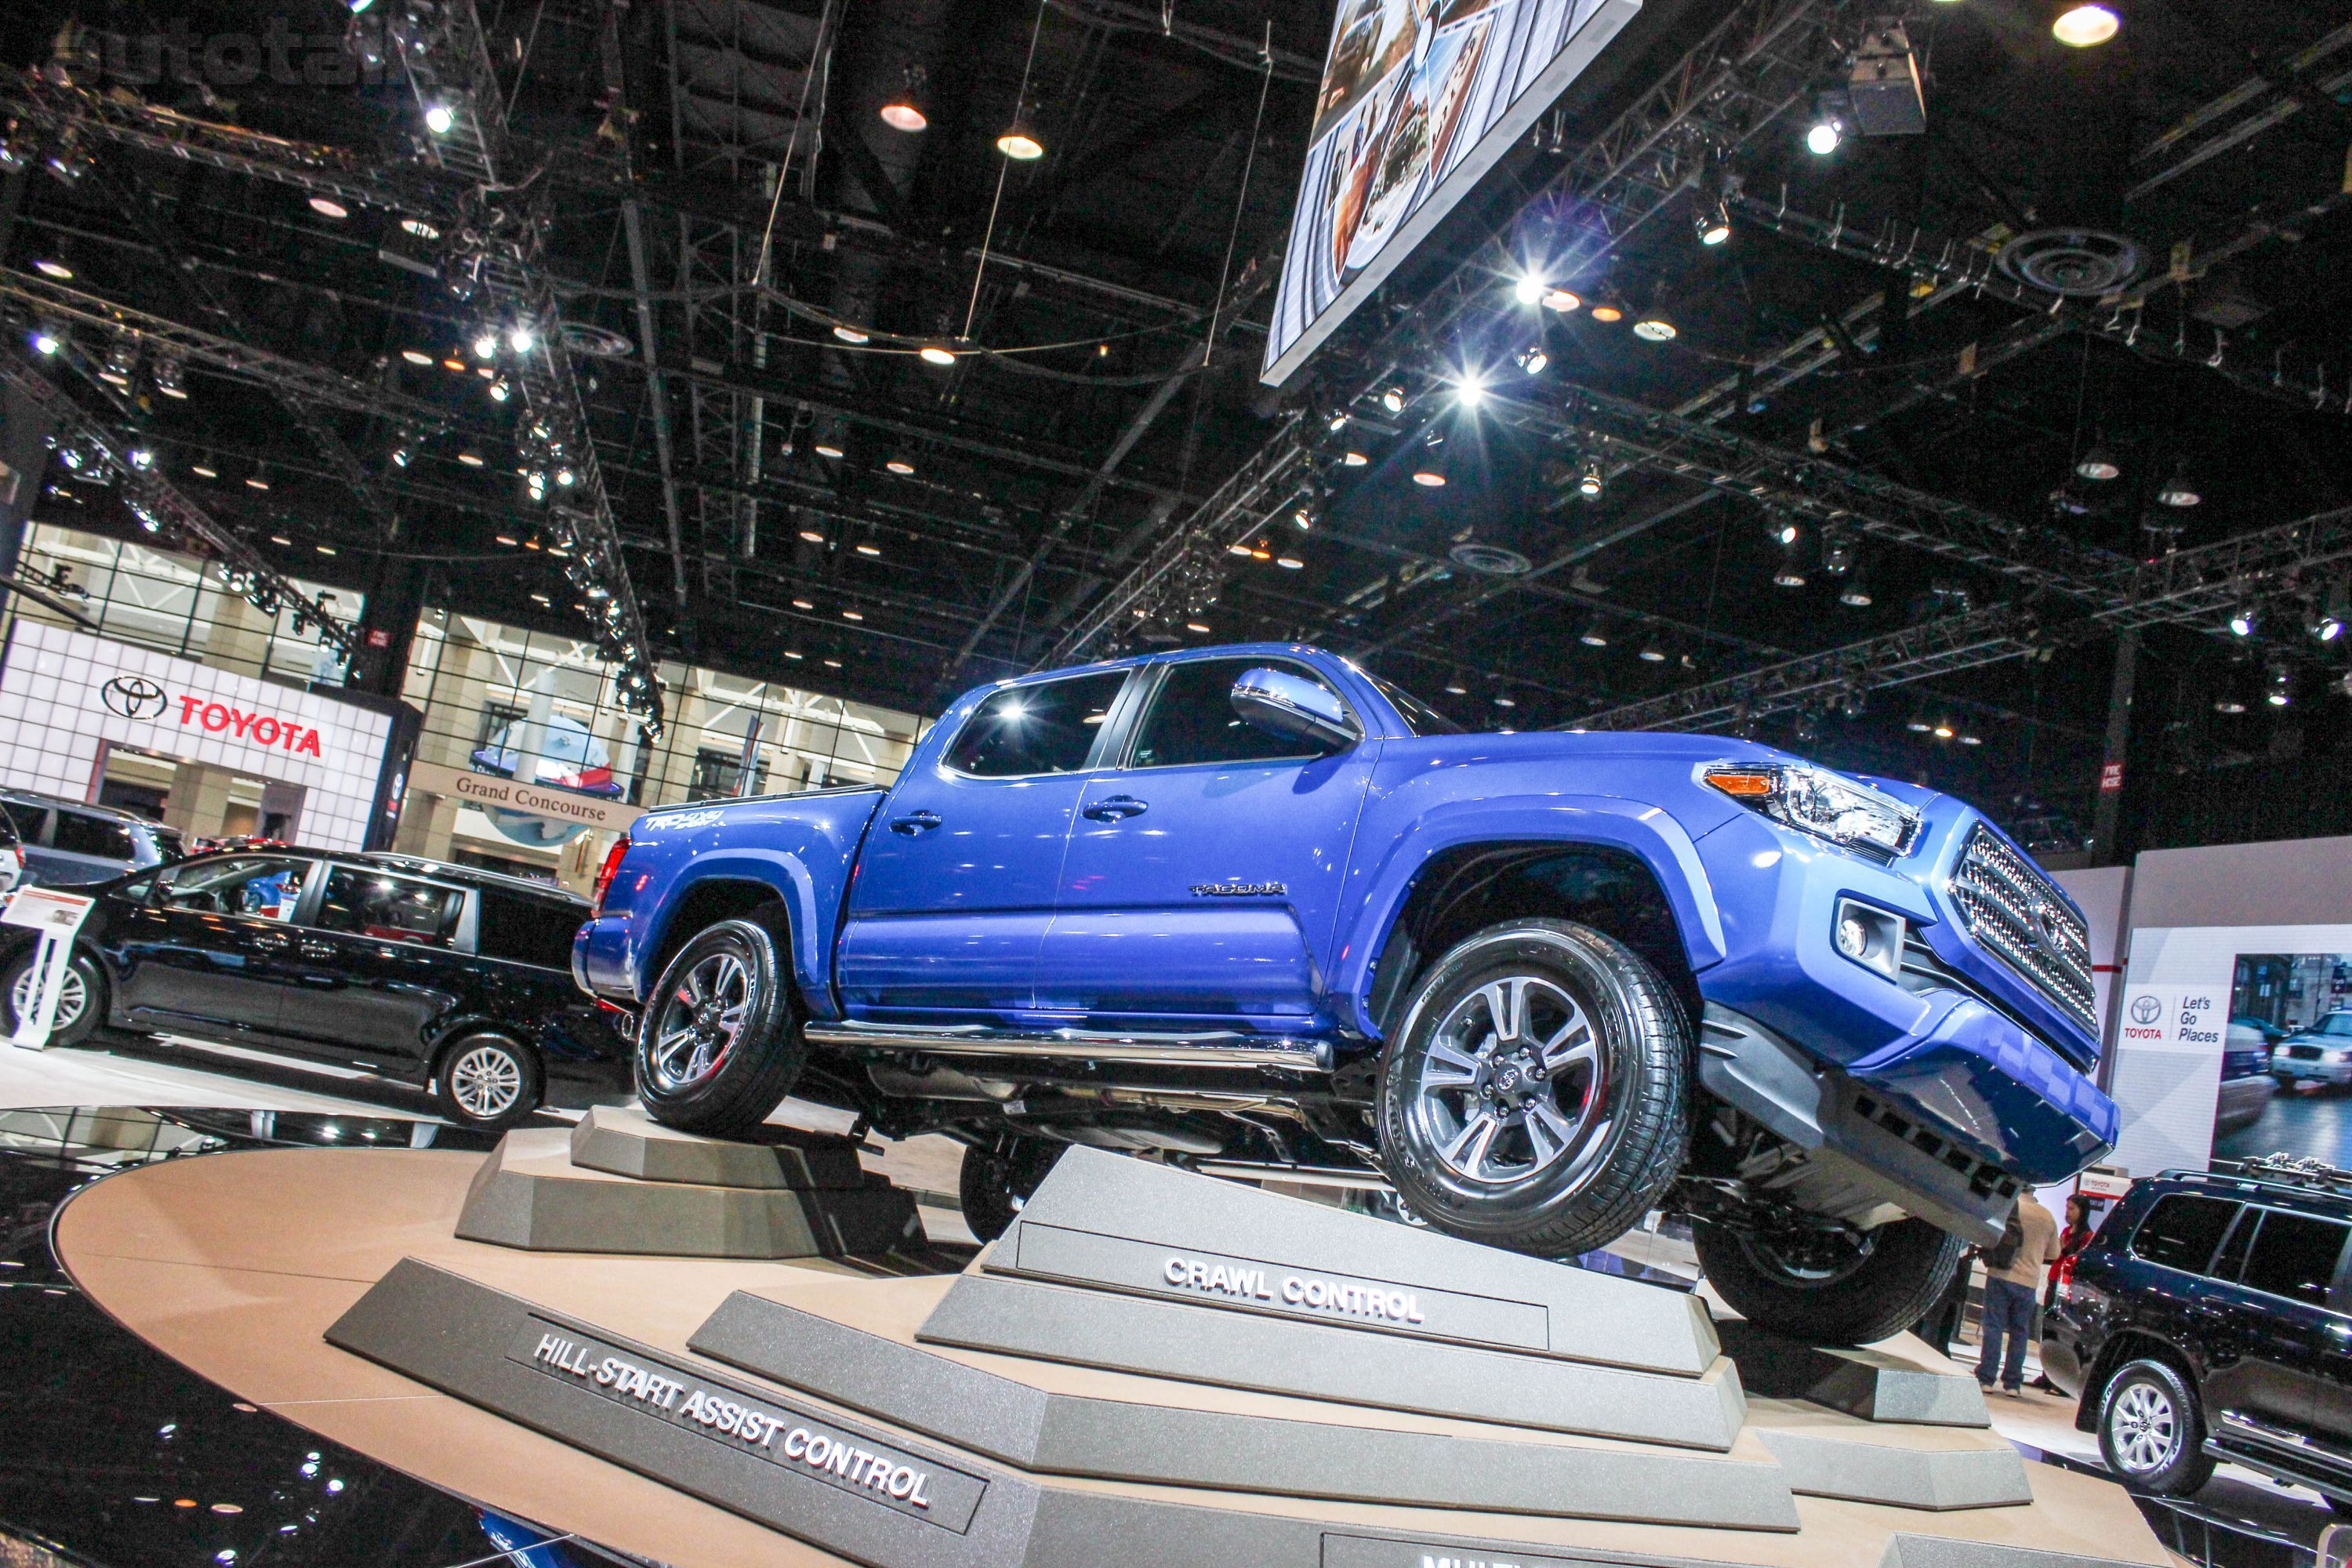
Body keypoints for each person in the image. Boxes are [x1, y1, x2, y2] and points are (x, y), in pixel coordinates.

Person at [1979, 1191, 2060, 1396]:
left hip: (2000, 1274)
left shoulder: (2008, 1207)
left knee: (1994, 1327)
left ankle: (1987, 1378)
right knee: (2020, 1332)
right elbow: (2054, 1253)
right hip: (2028, 1281)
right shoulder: (2047, 1216)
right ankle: (2013, 1384)